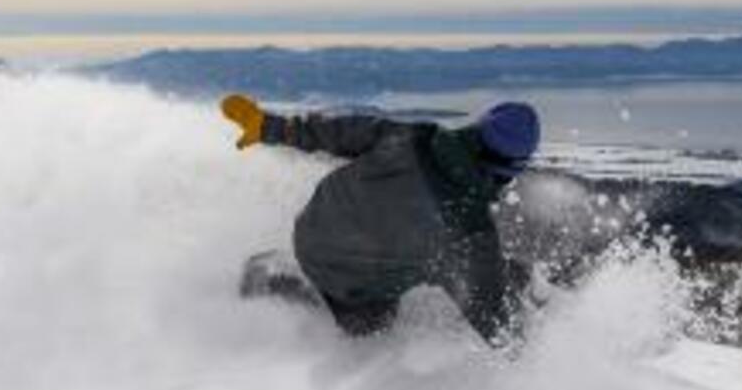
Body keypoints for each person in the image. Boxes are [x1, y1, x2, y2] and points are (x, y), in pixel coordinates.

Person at [220, 94, 540, 344]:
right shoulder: (470, 230)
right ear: (510, 169)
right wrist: (537, 356)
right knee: (374, 325)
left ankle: (286, 264)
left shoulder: (417, 137)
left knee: (424, 263)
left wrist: (268, 126)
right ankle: (283, 283)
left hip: (311, 227)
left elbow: (339, 133)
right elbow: (495, 319)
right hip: (345, 282)